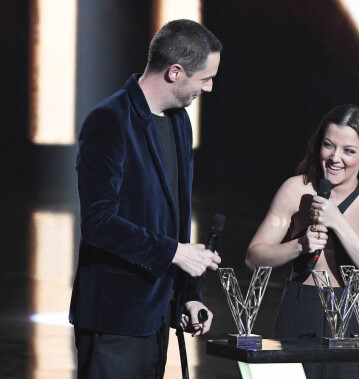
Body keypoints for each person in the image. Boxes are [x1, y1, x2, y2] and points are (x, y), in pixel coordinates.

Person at [69, 19, 223, 378]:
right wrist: (175, 252)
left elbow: (175, 218)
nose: (210, 87)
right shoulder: (108, 121)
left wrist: (189, 294)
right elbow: (98, 223)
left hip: (157, 314)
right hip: (114, 319)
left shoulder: (180, 122)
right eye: (205, 77)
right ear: (175, 72)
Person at [246, 104, 359, 379]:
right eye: (329, 146)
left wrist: (338, 222)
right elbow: (254, 256)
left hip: (353, 316)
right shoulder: (296, 189)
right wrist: (299, 245)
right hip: (301, 308)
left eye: (349, 151)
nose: (335, 158)